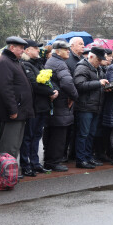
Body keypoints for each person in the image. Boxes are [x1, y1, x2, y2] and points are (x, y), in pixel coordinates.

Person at [20, 40, 58, 176]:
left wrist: (55, 90)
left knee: (36, 136)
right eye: (35, 48)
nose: (38, 50)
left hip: (43, 106)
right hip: (33, 106)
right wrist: (50, 92)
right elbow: (33, 84)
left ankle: (35, 163)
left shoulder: (39, 63)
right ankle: (26, 164)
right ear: (27, 50)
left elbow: (50, 81)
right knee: (28, 137)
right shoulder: (25, 64)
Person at [0, 37, 34, 161]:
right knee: (9, 145)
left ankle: (10, 172)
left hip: (20, 109)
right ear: (12, 48)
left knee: (15, 144)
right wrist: (12, 109)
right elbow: (5, 89)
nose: (23, 51)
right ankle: (4, 173)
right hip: (13, 112)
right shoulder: (5, 62)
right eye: (21, 48)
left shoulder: (14, 61)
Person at [44, 40, 79, 172]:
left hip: (56, 103)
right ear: (58, 51)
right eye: (66, 50)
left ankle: (50, 161)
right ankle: (53, 162)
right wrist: (75, 96)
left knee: (53, 134)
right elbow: (67, 83)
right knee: (58, 135)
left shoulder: (53, 61)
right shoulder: (59, 64)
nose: (69, 52)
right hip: (61, 103)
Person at [73, 47, 110, 168]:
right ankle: (81, 159)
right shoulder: (82, 67)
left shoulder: (97, 68)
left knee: (91, 134)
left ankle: (88, 157)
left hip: (94, 106)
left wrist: (106, 87)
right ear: (91, 57)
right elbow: (79, 85)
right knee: (83, 134)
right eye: (98, 59)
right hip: (85, 106)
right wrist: (99, 83)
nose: (100, 62)